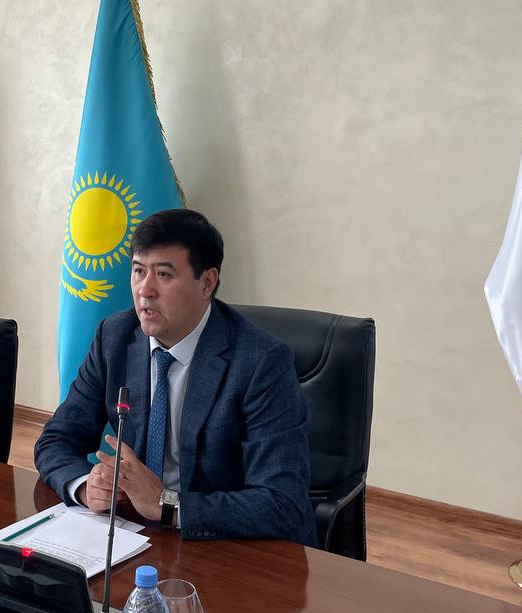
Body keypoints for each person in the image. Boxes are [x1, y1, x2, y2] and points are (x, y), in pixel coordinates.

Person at [34, 208, 315, 544]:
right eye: (138, 271)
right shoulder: (115, 337)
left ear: (206, 283)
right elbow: (56, 440)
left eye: (164, 275)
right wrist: (85, 487)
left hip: (225, 544)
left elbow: (282, 504)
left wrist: (167, 505)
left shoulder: (260, 362)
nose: (145, 290)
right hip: (134, 533)